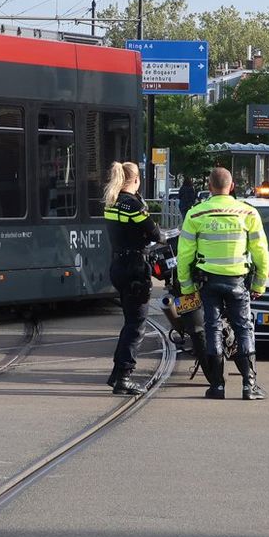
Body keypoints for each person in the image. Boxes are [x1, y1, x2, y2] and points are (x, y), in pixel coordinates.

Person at [177, 167, 269, 401]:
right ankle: (249, 386)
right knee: (244, 328)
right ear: (232, 186)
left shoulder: (196, 214)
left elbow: (184, 256)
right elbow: (261, 252)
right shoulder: (248, 213)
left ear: (209, 187)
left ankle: (217, 386)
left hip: (208, 283)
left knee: (212, 328)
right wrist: (259, 284)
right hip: (238, 281)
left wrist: (187, 289)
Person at [103, 161, 164, 396]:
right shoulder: (134, 206)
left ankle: (118, 373)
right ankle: (124, 376)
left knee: (130, 321)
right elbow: (155, 234)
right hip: (135, 268)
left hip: (118, 265)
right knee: (136, 325)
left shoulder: (112, 202)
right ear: (136, 180)